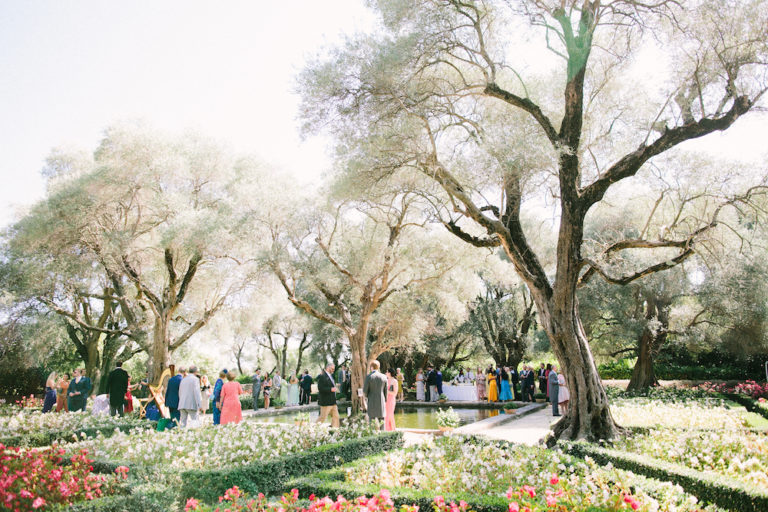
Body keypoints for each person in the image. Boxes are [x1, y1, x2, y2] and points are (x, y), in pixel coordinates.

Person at [363, 360, 387, 425]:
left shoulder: (368, 377)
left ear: (371, 367)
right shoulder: (384, 377)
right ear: (378, 367)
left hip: (371, 400)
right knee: (382, 421)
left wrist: (367, 396)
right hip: (381, 400)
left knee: (372, 422)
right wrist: (385, 400)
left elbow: (365, 391)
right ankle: (383, 434)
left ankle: (373, 434)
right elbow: (385, 390)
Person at [316, 363, 340, 427]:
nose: (333, 370)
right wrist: (330, 389)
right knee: (322, 417)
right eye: (332, 369)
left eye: (334, 369)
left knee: (336, 417)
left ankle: (335, 431)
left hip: (333, 401)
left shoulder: (331, 376)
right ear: (328, 368)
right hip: (326, 401)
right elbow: (320, 388)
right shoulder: (322, 376)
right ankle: (313, 430)